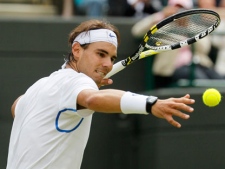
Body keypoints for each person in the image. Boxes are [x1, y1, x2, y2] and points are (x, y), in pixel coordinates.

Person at [7, 19, 195, 169]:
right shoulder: (75, 83)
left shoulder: (40, 86)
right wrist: (150, 104)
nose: (108, 64)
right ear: (77, 50)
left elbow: (16, 107)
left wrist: (81, 88)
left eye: (112, 58)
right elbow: (91, 99)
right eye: (100, 54)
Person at [131, 0, 224, 88]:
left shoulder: (194, 26)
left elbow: (204, 47)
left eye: (183, 9)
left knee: (220, 80)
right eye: (176, 8)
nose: (179, 12)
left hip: (200, 65)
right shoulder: (161, 25)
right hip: (173, 69)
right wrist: (161, 15)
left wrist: (187, 29)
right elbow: (136, 31)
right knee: (200, 81)